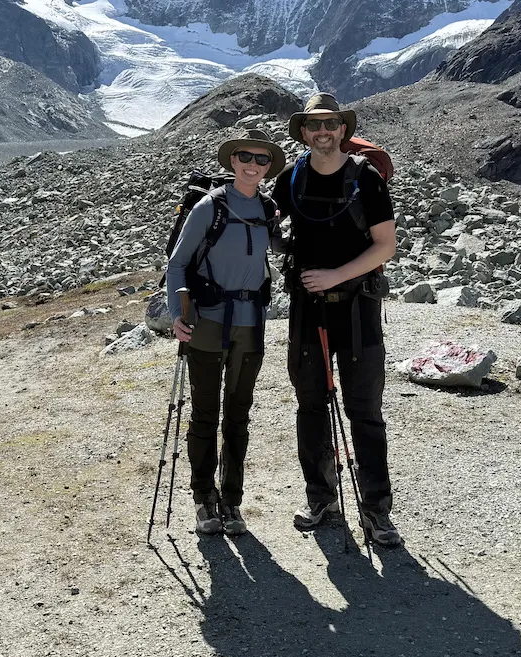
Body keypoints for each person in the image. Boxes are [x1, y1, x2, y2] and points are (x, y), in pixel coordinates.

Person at [273, 93, 401, 547]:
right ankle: (321, 497)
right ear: (304, 132)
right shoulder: (290, 178)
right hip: (308, 312)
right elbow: (270, 226)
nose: (323, 131)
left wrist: (335, 275)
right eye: (314, 125)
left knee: (364, 412)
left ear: (342, 129)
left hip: (357, 309)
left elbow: (384, 244)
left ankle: (377, 510)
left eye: (331, 124)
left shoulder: (366, 178)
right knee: (311, 407)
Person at [165, 128, 285, 537]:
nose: (253, 165)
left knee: (238, 414)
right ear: (232, 160)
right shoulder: (208, 207)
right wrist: (174, 313)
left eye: (261, 159)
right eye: (245, 157)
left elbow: (284, 250)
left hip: (251, 323)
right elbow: (177, 264)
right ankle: (204, 499)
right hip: (208, 322)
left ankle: (231, 500)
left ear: (269, 166)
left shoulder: (269, 210)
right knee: (204, 412)